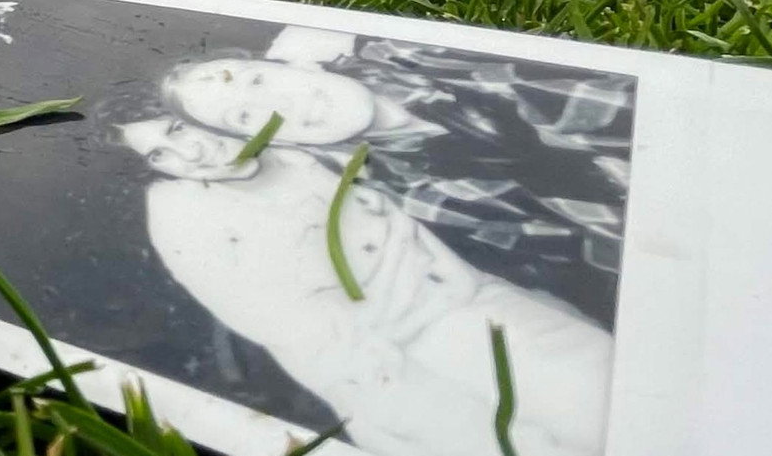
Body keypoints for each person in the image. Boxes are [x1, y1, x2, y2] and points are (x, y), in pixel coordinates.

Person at [118, 113, 613, 456]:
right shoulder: (185, 222)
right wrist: (431, 419)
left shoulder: (295, 145)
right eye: (160, 155)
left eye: (176, 129)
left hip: (483, 309)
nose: (191, 152)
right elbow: (320, 346)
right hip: (407, 372)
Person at [159, 24, 633, 327]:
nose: (280, 107)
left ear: (288, 61)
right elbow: (587, 248)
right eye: (247, 118)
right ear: (279, 145)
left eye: (257, 81)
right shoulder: (419, 196)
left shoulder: (412, 48)